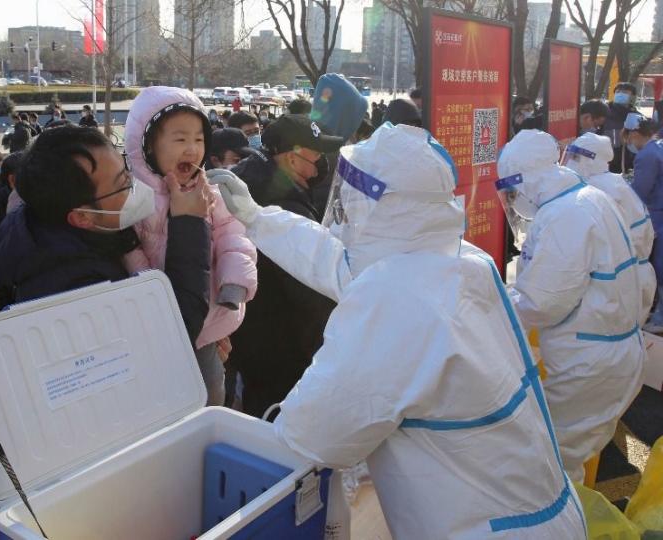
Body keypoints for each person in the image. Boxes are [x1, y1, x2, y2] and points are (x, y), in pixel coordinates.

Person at [209, 122, 586, 539]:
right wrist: (258, 219)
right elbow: (346, 266)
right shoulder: (457, 259)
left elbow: (317, 433)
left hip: (485, 528)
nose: (345, 208)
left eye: (352, 197)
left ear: (379, 204)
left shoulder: (397, 298)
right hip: (532, 510)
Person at [498, 129, 645, 482]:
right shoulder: (586, 197)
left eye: (513, 191)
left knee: (551, 467)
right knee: (568, 460)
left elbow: (542, 303)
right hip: (610, 352)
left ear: (529, 181)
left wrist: (492, 307)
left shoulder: (565, 215)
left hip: (589, 364)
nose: (514, 200)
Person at [0, 126, 213, 339]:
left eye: (127, 171)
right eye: (123, 183)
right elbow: (173, 332)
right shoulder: (76, 288)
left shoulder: (63, 232)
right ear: (82, 217)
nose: (134, 185)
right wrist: (190, 222)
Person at [122, 87, 258, 405]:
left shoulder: (207, 190)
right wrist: (158, 303)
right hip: (161, 329)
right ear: (146, 145)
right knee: (167, 404)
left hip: (208, 330)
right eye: (180, 139)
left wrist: (235, 283)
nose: (192, 149)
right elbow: (131, 256)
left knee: (211, 394)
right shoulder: (134, 199)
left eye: (198, 139)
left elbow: (233, 236)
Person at [226, 114, 340, 417]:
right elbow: (310, 295)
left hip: (250, 340)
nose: (322, 164)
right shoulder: (283, 204)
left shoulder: (248, 180)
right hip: (281, 346)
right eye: (317, 155)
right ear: (291, 159)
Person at [563, 132, 656, 325]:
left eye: (575, 157)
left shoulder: (598, 189)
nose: (570, 162)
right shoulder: (612, 181)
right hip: (630, 274)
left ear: (591, 159)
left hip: (619, 280)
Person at [628, 114, 663, 330]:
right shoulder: (657, 148)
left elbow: (640, 190)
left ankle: (659, 318)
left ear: (635, 134)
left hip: (656, 215)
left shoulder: (647, 156)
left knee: (659, 267)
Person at [605, 82, 640, 172]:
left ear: (633, 96)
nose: (620, 94)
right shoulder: (605, 112)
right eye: (618, 91)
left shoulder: (637, 116)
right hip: (605, 158)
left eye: (625, 92)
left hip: (628, 161)